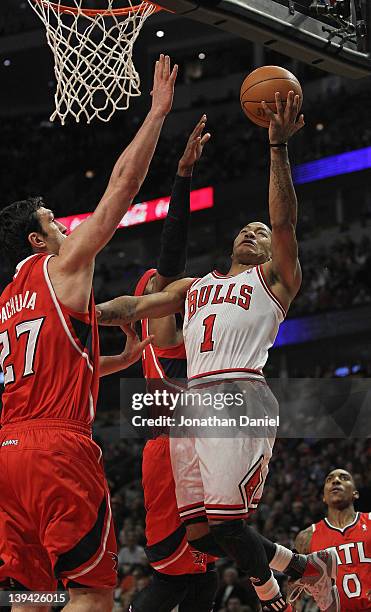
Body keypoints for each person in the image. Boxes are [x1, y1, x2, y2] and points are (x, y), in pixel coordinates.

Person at [96, 92, 340, 612]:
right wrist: (80, 312)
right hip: (191, 410)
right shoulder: (194, 285)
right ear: (231, 241)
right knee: (202, 534)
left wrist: (277, 147)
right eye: (246, 228)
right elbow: (137, 303)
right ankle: (302, 567)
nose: (254, 231)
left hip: (238, 394)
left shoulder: (275, 277)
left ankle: (284, 585)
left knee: (227, 525)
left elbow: (284, 223)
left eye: (261, 231)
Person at [0, 54, 177, 612]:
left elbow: (34, 372)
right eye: (53, 221)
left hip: (6, 454)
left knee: (32, 597)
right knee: (92, 595)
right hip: (58, 449)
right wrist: (157, 114)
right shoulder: (65, 266)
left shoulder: (6, 303)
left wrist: (110, 365)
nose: (64, 225)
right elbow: (121, 190)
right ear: (36, 240)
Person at [130, 117, 218, 612]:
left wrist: (183, 178)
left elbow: (171, 258)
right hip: (167, 452)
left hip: (188, 446)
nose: (158, 288)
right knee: (183, 574)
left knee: (193, 573)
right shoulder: (148, 338)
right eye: (151, 287)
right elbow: (168, 266)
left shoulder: (166, 336)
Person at [292, 468, 371, 610]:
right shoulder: (307, 537)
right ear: (323, 496)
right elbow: (294, 591)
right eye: (329, 479)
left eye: (344, 478)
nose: (336, 481)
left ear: (355, 493)